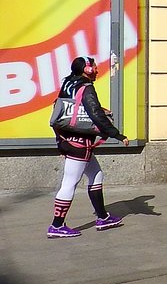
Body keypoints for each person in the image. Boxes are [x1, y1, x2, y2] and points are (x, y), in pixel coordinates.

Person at [47, 56, 129, 239]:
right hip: (80, 143)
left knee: (96, 174)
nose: (97, 71)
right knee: (69, 183)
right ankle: (57, 226)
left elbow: (64, 112)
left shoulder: (68, 83)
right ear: (87, 69)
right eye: (95, 67)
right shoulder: (87, 87)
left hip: (67, 139)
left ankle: (102, 217)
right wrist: (117, 134)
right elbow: (95, 113)